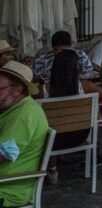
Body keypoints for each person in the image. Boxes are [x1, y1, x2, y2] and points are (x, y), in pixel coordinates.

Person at [0, 61, 48, 207]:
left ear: (18, 89)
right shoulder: (13, 107)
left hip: (7, 190)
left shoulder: (24, 115)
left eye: (0, 88)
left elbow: (3, 153)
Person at [46, 49, 91, 184]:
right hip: (80, 135)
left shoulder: (46, 88)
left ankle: (52, 168)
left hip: (54, 141)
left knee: (48, 128)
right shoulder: (81, 86)